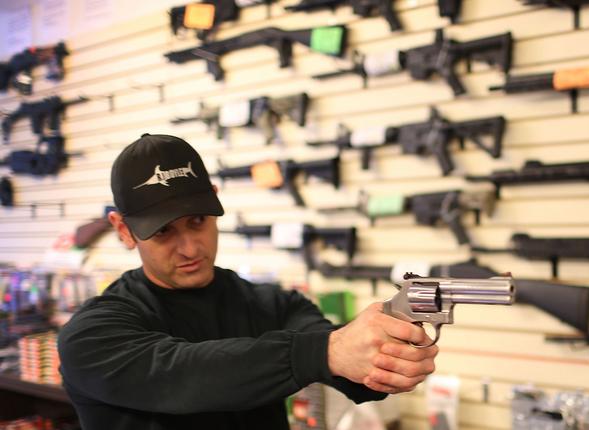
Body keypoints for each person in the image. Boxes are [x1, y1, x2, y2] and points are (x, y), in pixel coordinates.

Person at [58, 134, 439, 430]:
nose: (190, 247)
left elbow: (345, 367)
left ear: (215, 202)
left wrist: (386, 357)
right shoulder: (92, 336)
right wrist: (326, 351)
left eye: (198, 221)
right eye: (163, 232)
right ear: (124, 230)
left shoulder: (274, 305)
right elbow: (185, 374)